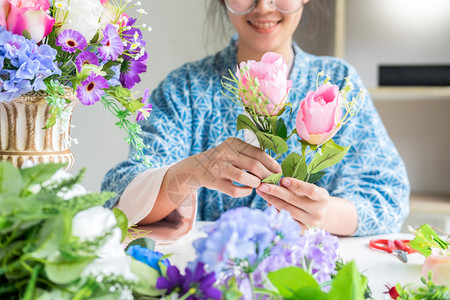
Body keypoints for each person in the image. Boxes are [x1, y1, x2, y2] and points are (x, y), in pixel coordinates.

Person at [102, 0, 410, 238]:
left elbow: (387, 195)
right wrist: (191, 172)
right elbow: (124, 199)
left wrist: (323, 213)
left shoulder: (338, 84)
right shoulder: (184, 88)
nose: (263, 6)